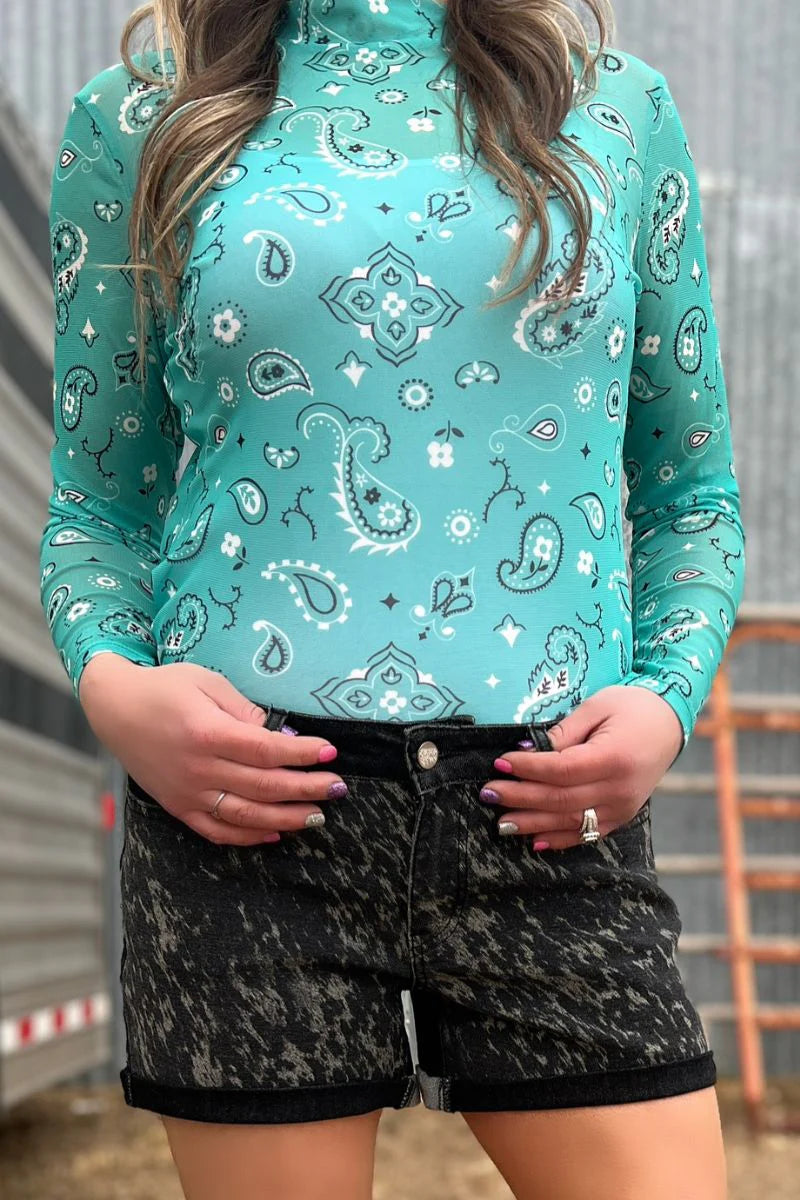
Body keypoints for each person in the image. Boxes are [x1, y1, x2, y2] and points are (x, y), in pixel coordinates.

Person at [40, 0, 743, 1195]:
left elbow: (691, 494)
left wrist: (667, 699)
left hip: (542, 809)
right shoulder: (143, 114)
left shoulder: (613, 109)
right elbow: (96, 509)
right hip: (247, 818)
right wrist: (116, 690)